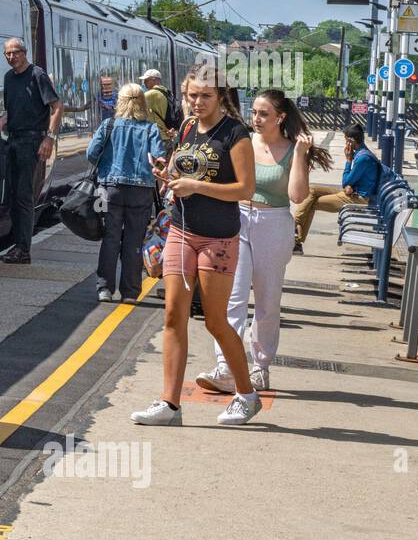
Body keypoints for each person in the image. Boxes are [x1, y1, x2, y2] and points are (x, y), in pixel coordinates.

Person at [131, 66, 260, 427]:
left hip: (218, 237)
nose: (197, 102)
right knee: (173, 315)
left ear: (220, 96)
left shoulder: (236, 134)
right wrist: (166, 174)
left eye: (205, 96)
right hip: (181, 231)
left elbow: (245, 190)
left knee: (216, 321)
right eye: (191, 96)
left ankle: (247, 396)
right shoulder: (187, 128)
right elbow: (179, 170)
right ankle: (169, 404)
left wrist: (196, 186)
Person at [194, 90, 332, 393]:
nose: (256, 119)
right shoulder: (243, 142)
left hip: (274, 224)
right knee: (233, 297)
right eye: (254, 112)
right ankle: (225, 366)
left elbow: (297, 196)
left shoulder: (293, 149)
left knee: (268, 302)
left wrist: (298, 155)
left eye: (264, 114)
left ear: (280, 117)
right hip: (237, 220)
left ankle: (261, 367)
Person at [86, 84, 163, 303]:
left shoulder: (108, 125)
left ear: (120, 102)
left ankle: (105, 289)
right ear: (142, 102)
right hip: (141, 192)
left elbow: (92, 154)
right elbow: (158, 159)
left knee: (110, 238)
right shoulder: (150, 129)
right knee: (134, 241)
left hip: (110, 189)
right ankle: (130, 292)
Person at [0, 37, 62, 264]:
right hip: (13, 140)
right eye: (7, 53)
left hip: (32, 141)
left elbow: (56, 106)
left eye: (15, 52)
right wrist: (3, 121)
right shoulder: (8, 78)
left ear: (25, 53)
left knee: (24, 196)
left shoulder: (37, 75)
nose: (11, 57)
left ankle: (24, 250)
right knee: (14, 195)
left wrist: (49, 138)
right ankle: (18, 244)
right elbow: (10, 108)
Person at [292, 123, 377, 252]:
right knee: (312, 190)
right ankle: (294, 227)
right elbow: (353, 181)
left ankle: (295, 236)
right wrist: (350, 184)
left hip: (359, 198)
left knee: (312, 203)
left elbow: (346, 181)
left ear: (350, 141)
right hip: (353, 192)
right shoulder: (362, 153)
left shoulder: (363, 158)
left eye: (345, 140)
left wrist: (348, 161)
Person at [140, 68, 177, 138]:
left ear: (154, 80)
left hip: (157, 136)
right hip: (167, 134)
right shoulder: (166, 92)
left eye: (146, 80)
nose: (144, 83)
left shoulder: (151, 94)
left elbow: (136, 105)